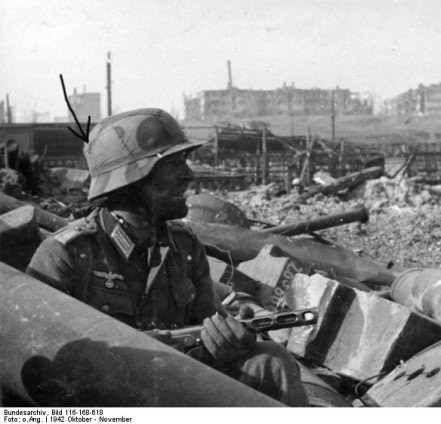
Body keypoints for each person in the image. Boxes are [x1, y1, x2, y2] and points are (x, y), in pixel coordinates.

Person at [26, 108, 308, 406]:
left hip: (173, 386)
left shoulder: (184, 247)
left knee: (271, 361)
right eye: (172, 163)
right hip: (105, 401)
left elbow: (207, 329)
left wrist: (229, 342)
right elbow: (36, 360)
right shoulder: (67, 253)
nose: (188, 174)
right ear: (130, 180)